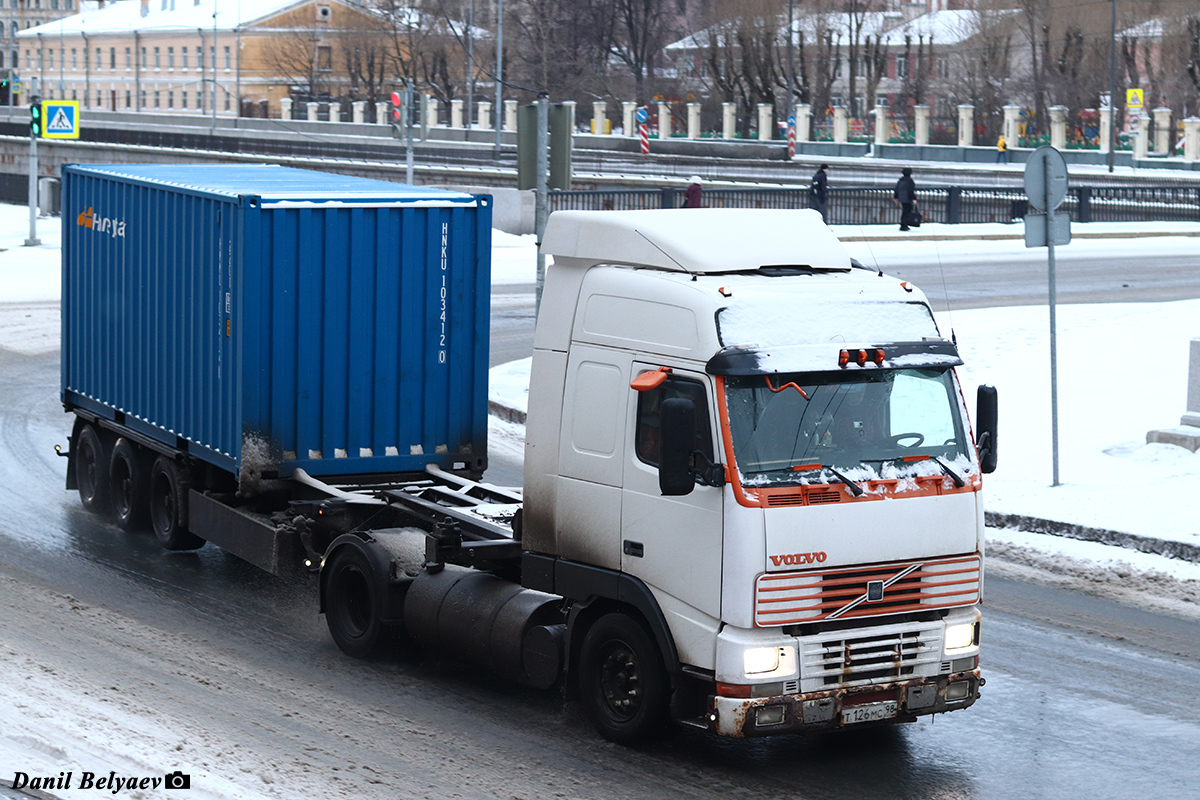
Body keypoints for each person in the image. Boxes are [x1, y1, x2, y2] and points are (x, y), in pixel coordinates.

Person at [893, 167, 917, 231]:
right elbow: (911, 190)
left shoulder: (901, 180)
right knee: (908, 211)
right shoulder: (910, 180)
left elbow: (897, 189)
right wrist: (914, 198)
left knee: (904, 211)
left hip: (902, 197)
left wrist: (896, 197)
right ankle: (904, 224)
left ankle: (903, 224)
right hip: (908, 198)